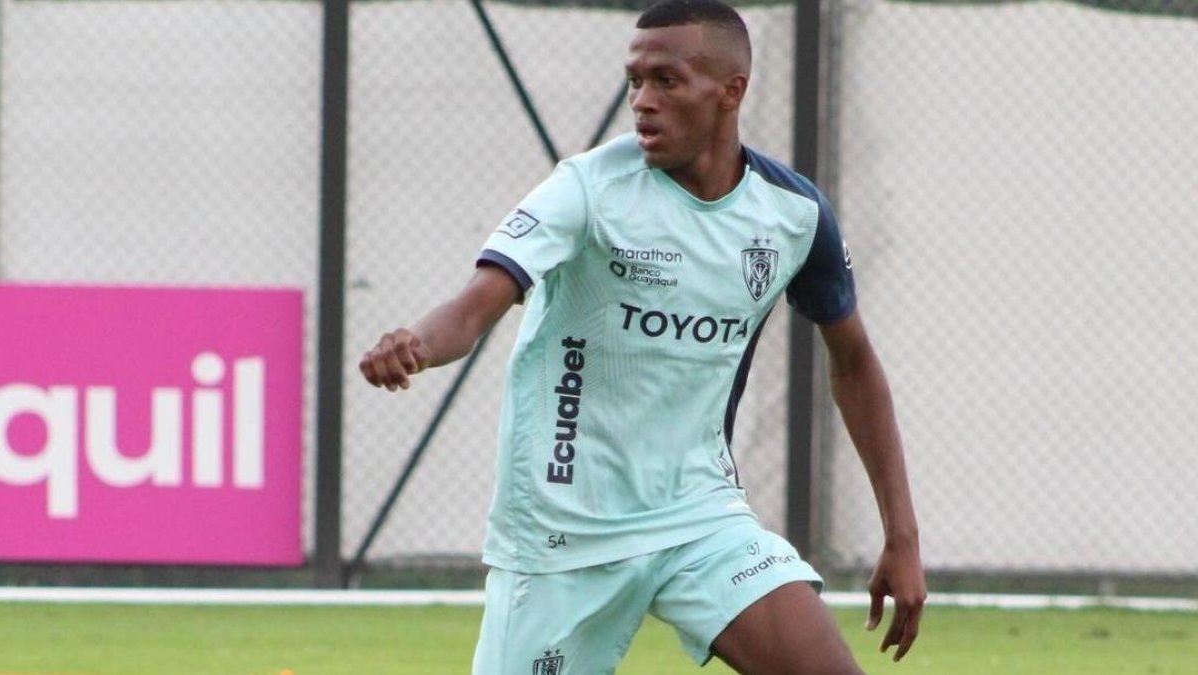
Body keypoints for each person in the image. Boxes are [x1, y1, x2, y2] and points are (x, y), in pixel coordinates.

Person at [359, 1, 925, 672]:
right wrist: (417, 343)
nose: (643, 101)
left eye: (666, 80)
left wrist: (902, 535)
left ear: (731, 90)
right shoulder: (587, 190)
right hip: (564, 531)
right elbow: (477, 304)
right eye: (634, 81)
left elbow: (854, 362)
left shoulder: (791, 216)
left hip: (699, 517)